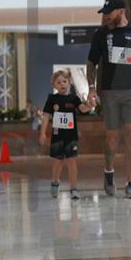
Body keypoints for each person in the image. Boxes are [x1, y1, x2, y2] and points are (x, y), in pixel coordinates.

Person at [87, 0, 131, 199]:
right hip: (109, 92)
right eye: (104, 13)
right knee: (112, 138)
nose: (106, 16)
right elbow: (91, 62)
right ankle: (109, 170)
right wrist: (91, 88)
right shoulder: (101, 34)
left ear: (121, 11)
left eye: (109, 13)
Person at [39, 68, 93, 200]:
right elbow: (46, 116)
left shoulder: (74, 99)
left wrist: (89, 105)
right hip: (57, 136)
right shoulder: (52, 99)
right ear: (54, 85)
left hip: (71, 137)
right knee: (58, 162)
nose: (62, 84)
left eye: (64, 81)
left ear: (69, 82)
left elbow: (83, 109)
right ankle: (55, 181)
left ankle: (74, 189)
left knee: (71, 162)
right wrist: (42, 133)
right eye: (58, 82)